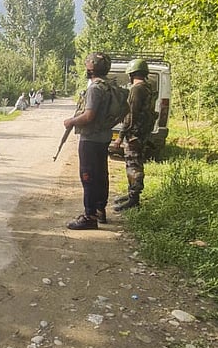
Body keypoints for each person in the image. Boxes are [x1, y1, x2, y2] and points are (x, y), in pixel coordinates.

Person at [62, 52, 114, 230]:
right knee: (101, 174)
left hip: (91, 139)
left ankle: (89, 216)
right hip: (104, 137)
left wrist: (71, 121)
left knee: (88, 176)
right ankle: (100, 210)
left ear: (91, 68)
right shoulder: (109, 86)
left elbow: (89, 115)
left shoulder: (94, 88)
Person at [113, 59, 156, 211]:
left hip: (134, 135)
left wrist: (120, 136)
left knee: (134, 166)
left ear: (131, 74)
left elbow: (130, 115)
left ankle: (134, 199)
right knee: (134, 163)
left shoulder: (136, 89)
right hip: (142, 133)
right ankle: (131, 194)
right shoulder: (148, 88)